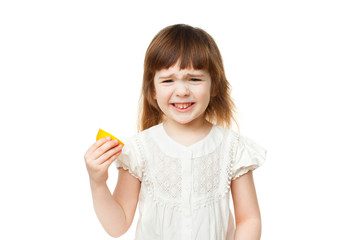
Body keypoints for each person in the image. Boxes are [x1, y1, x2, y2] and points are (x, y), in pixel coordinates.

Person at [84, 24, 267, 240]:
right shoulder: (139, 151)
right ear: (153, 89)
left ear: (214, 85)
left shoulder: (234, 149)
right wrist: (97, 183)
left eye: (195, 79)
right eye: (168, 80)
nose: (181, 91)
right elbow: (118, 225)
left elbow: (249, 219)